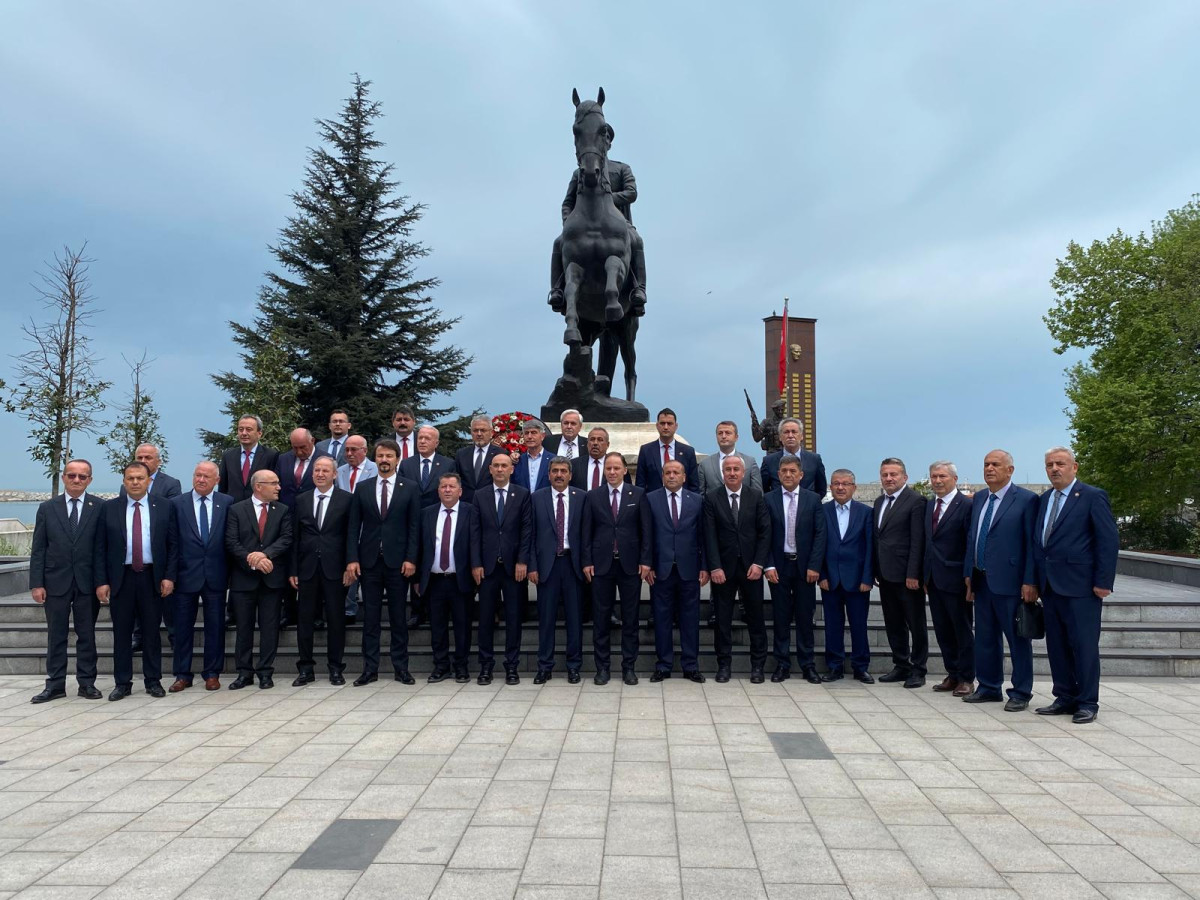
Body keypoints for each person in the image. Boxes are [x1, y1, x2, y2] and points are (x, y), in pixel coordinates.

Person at [1033, 446, 1119, 724]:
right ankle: (1064, 696)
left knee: (1083, 645)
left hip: (1082, 587)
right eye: (1049, 465)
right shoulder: (1045, 499)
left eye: (1060, 463)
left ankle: (1087, 701)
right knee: (1056, 646)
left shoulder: (1092, 496)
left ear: (1074, 467)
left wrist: (1103, 581)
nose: (1054, 469)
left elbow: (1107, 541)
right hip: (1050, 587)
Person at [962, 449, 1038, 711]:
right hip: (982, 580)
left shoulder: (1026, 500)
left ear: (1010, 470)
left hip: (1012, 582)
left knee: (1017, 640)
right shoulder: (981, 498)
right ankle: (989, 686)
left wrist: (1030, 580)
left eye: (996, 464)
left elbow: (1032, 544)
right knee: (985, 638)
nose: (989, 468)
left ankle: (1020, 692)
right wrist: (969, 574)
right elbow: (973, 538)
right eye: (986, 464)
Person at [548, 126, 648, 315]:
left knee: (637, 241)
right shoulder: (579, 173)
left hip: (619, 224)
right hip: (583, 226)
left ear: (608, 142)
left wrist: (607, 199)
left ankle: (638, 289)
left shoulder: (621, 168)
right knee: (558, 242)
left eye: (608, 137)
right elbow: (567, 203)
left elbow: (632, 192)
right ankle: (557, 290)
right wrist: (568, 222)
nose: (606, 140)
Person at [28, 459, 104, 704]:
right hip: (55, 582)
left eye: (82, 476)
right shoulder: (47, 508)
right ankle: (55, 684)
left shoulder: (99, 507)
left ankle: (87, 683)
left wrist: (102, 581)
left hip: (87, 583)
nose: (76, 480)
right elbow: (38, 548)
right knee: (56, 635)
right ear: (63, 478)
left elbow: (103, 549)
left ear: (90, 480)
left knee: (87, 635)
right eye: (72, 475)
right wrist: (36, 583)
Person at [346, 439, 420, 686]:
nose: (385, 460)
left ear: (397, 459)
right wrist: (353, 559)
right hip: (369, 563)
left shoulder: (409, 487)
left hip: (398, 564)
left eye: (389, 456)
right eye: (380, 456)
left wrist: (411, 558)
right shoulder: (363, 487)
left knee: (399, 618)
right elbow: (354, 526)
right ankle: (370, 669)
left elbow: (414, 527)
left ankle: (401, 668)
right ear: (375, 459)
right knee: (371, 620)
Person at [95, 462, 170, 700]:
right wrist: (102, 581)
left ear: (149, 480)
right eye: (130, 478)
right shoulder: (109, 508)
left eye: (140, 478)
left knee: (151, 632)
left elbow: (173, 544)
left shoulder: (165, 507)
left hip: (152, 577)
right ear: (124, 481)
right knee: (122, 633)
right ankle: (122, 683)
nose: (135, 482)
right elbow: (100, 548)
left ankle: (153, 681)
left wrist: (169, 576)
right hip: (121, 578)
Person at [582, 452, 650, 685]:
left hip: (630, 566)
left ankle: (628, 667)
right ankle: (602, 668)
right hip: (601, 566)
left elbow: (646, 532)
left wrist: (645, 560)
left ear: (624, 471)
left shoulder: (638, 495)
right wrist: (587, 561)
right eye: (608, 468)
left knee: (630, 618)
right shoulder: (593, 496)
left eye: (616, 468)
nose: (611, 472)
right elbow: (586, 533)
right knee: (600, 618)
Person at [165, 461, 231, 692]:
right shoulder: (177, 504)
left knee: (215, 626)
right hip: (185, 575)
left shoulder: (227, 503)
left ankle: (212, 673)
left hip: (216, 575)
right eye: (197, 475)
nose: (201, 480)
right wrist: (170, 576)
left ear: (217, 480)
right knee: (182, 627)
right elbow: (171, 543)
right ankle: (182, 674)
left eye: (206, 476)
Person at [704, 455, 770, 683]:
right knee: (722, 620)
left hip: (751, 568)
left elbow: (764, 533)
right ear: (723, 473)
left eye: (736, 469)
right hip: (723, 570)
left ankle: (758, 667)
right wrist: (714, 566)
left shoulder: (755, 496)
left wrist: (759, 563)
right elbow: (709, 536)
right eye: (728, 469)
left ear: (743, 473)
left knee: (756, 618)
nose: (732, 473)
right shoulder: (712, 498)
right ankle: (724, 666)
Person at [224, 469, 292, 689]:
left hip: (271, 579)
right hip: (244, 579)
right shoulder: (236, 510)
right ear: (258, 486)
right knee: (243, 628)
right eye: (274, 483)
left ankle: (265, 672)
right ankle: (244, 673)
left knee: (269, 628)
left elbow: (286, 538)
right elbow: (231, 542)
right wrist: (251, 559)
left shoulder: (282, 510)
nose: (278, 487)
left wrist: (265, 555)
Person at [289, 456, 353, 686]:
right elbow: (296, 537)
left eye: (325, 470)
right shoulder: (302, 500)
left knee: (336, 620)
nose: (320, 474)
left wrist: (350, 564)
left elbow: (351, 535)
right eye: (317, 470)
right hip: (306, 570)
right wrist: (293, 569)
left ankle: (336, 668)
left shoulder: (346, 500)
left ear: (335, 474)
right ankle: (306, 669)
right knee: (304, 620)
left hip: (335, 569)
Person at [764, 454, 826, 684]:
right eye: (784, 471)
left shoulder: (813, 499)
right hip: (778, 567)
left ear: (801, 475)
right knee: (780, 618)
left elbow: (820, 535)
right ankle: (782, 664)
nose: (788, 475)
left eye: (793, 471)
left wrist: (814, 565)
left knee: (804, 618)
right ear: (778, 475)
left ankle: (807, 665)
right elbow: (765, 536)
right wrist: (768, 564)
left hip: (804, 568)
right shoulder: (768, 499)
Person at [644, 460, 707, 682]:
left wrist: (705, 567)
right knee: (661, 619)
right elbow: (647, 535)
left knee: (690, 620)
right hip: (660, 570)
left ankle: (691, 665)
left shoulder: (697, 501)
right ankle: (663, 665)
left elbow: (704, 537)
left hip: (689, 570)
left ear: (684, 477)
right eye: (667, 472)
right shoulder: (651, 499)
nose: (671, 476)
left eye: (676, 472)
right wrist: (648, 564)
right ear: (662, 476)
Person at [418, 473, 483, 684]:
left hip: (460, 579)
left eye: (451, 487)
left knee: (462, 626)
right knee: (437, 626)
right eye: (443, 486)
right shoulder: (426, 514)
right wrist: (418, 578)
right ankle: (441, 666)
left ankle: (462, 666)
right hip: (435, 579)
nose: (447, 490)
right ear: (438, 491)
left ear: (460, 491)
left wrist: (476, 567)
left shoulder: (470, 512)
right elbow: (421, 547)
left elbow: (476, 542)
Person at [474, 453, 532, 685]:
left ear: (511, 469)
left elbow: (527, 530)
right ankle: (486, 667)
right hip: (486, 569)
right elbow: (475, 532)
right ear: (490, 469)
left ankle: (512, 666)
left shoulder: (522, 495)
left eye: (504, 466)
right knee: (486, 619)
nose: (500, 469)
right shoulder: (480, 495)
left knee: (513, 619)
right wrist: (476, 563)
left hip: (513, 568)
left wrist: (522, 561)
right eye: (496, 466)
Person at [528, 457, 586, 683]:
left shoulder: (581, 497)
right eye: (555, 471)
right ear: (549, 474)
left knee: (574, 619)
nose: (559, 475)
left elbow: (587, 534)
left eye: (563, 471)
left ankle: (574, 666)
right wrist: (532, 565)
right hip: (547, 566)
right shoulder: (536, 498)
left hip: (573, 565)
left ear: (570, 475)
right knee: (547, 618)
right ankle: (545, 666)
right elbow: (530, 535)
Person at [872, 457, 928, 689]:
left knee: (915, 623)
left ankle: (919, 668)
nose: (889, 478)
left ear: (905, 477)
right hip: (885, 575)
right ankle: (901, 664)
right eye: (885, 475)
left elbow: (918, 540)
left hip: (908, 576)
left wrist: (914, 573)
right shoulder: (878, 502)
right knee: (893, 623)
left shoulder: (916, 501)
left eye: (893, 474)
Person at [924, 461, 975, 697]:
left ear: (954, 479)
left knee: (961, 630)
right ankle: (952, 673)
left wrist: (968, 576)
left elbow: (969, 544)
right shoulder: (928, 505)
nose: (937, 481)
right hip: (934, 579)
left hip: (956, 579)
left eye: (942, 476)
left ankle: (966, 677)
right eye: (934, 476)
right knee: (943, 630)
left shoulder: (966, 505)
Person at [819, 469, 874, 683]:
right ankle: (834, 666)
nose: (840, 487)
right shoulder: (822, 511)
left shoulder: (865, 512)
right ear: (830, 487)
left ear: (854, 487)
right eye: (836, 484)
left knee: (859, 625)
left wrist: (867, 578)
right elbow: (818, 546)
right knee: (833, 625)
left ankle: (861, 667)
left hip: (857, 580)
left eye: (845, 484)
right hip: (830, 579)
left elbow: (870, 548)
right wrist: (822, 574)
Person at [335, 435, 376, 625]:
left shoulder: (376, 469)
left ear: (365, 451)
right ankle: (349, 609)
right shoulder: (339, 471)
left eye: (354, 449)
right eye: (347, 450)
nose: (349, 454)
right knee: (348, 568)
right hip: (345, 529)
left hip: (369, 529)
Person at [636, 408, 699, 494]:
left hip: (682, 503)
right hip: (653, 503)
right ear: (657, 425)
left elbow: (694, 485)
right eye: (662, 423)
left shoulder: (688, 452)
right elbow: (640, 484)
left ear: (676, 426)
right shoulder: (646, 451)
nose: (666, 427)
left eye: (669, 424)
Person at [218, 414, 279, 503]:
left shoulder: (271, 456)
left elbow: (274, 486)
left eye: (249, 429)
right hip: (233, 509)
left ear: (259, 433)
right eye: (241, 429)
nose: (244, 433)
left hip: (260, 509)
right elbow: (223, 487)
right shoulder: (228, 456)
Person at [761, 418, 827, 497]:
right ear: (780, 437)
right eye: (786, 432)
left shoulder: (815, 460)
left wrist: (811, 504)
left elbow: (821, 489)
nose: (790, 436)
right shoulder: (769, 461)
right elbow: (764, 489)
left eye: (794, 432)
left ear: (801, 436)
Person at [697, 421, 763, 494]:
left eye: (728, 433)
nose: (724, 436)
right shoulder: (705, 464)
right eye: (720, 433)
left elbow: (758, 493)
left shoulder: (750, 462)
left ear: (736, 437)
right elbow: (700, 495)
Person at [400, 425, 455, 510]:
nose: (422, 441)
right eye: (420, 438)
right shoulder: (406, 464)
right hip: (411, 513)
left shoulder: (448, 464)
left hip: (436, 514)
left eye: (427, 438)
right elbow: (401, 491)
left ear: (436, 443)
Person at [455, 415, 503, 504]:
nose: (479, 434)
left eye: (483, 430)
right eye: (475, 430)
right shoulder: (461, 454)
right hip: (466, 504)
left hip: (490, 504)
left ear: (491, 432)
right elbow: (457, 480)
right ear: (471, 432)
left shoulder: (500, 454)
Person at [276, 428, 327, 510]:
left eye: (303, 447)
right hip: (287, 513)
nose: (299, 452)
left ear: (312, 441)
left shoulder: (326, 460)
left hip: (313, 511)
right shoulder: (283, 459)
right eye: (295, 448)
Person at [573, 426, 625, 491]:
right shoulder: (574, 464)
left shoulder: (618, 465)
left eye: (600, 440)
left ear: (607, 444)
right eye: (592, 439)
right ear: (587, 443)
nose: (595, 443)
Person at [511, 419, 552, 493]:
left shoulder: (553, 460)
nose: (529, 436)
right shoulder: (517, 461)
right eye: (526, 433)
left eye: (533, 433)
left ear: (542, 436)